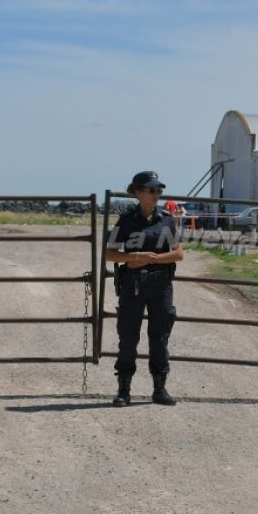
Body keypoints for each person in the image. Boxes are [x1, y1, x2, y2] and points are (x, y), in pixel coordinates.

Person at [105, 171, 185, 407]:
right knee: (128, 338)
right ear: (138, 193)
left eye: (159, 190)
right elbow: (109, 254)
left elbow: (178, 253)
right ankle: (124, 391)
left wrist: (150, 259)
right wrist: (135, 255)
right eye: (152, 190)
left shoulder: (167, 220)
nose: (157, 194)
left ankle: (159, 389)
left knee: (160, 338)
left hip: (161, 285)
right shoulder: (127, 220)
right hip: (133, 285)